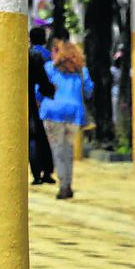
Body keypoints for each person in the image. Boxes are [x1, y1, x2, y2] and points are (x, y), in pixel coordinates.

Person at [41, 41, 94, 200]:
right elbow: (89, 91)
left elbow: (40, 89)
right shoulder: (82, 71)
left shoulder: (50, 68)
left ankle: (63, 184)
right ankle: (68, 183)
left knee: (57, 150)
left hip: (52, 111)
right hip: (74, 113)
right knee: (68, 149)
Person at [28, 27, 58, 185]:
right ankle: (46, 171)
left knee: (32, 139)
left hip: (22, 103)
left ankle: (36, 174)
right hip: (39, 104)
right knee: (40, 138)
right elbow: (45, 82)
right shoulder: (45, 56)